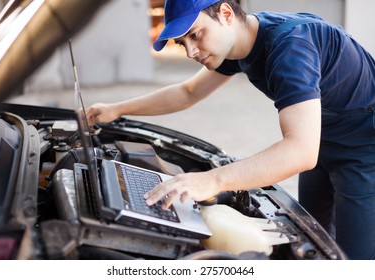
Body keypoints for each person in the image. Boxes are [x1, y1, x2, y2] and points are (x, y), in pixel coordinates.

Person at [86, 0, 375, 260]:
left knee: (353, 258)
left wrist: (212, 180)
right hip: (321, 137)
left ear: (225, 13)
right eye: (182, 42)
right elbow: (187, 92)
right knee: (315, 240)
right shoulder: (241, 42)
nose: (191, 51)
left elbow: (300, 151)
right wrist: (118, 108)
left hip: (364, 149)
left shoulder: (290, 47)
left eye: (195, 35)